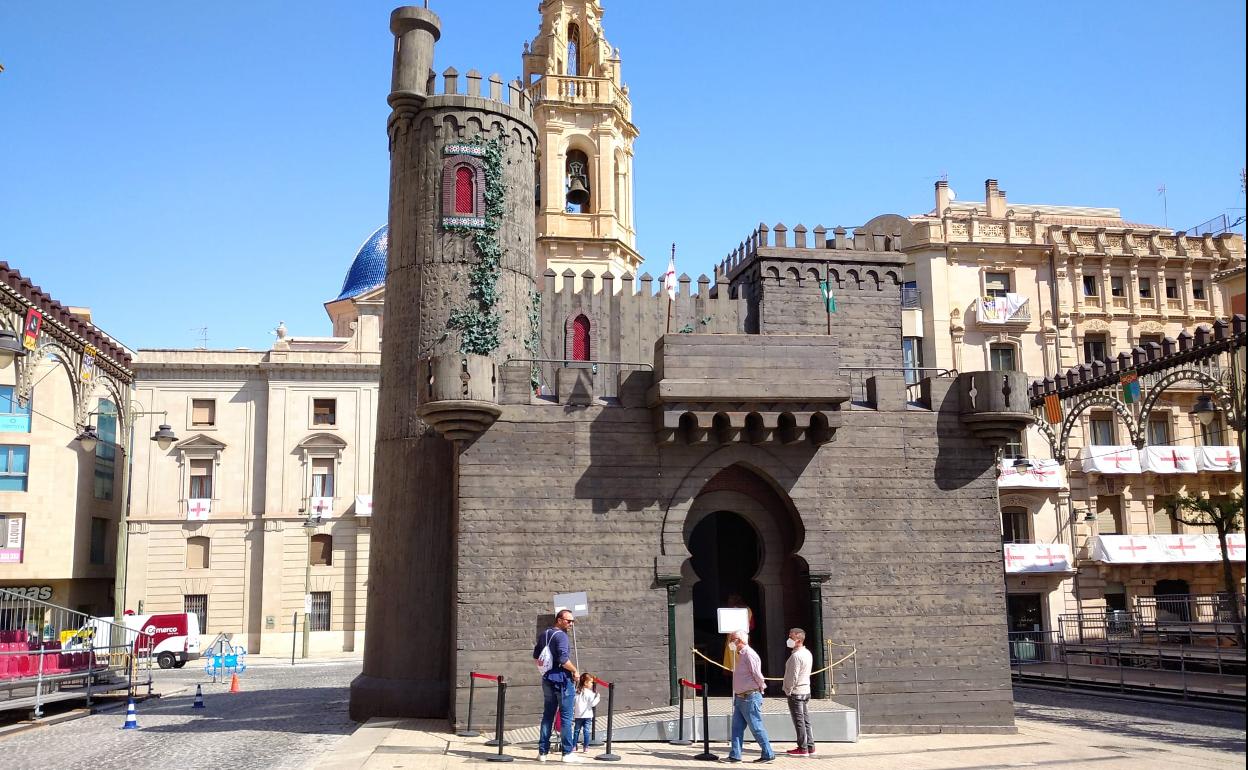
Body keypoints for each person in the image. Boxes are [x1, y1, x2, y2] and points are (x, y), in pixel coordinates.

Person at [533, 610, 581, 763]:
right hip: (562, 681)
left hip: (547, 679)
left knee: (548, 715)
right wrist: (575, 671)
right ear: (559, 620)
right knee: (566, 717)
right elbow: (563, 659)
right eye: (568, 621)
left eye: (572, 621)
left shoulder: (544, 634)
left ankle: (542, 753)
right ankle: (567, 753)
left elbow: (536, 656)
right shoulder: (561, 636)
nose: (571, 624)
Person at [726, 630, 775, 763]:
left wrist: (761, 686)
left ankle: (768, 753)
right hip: (740, 697)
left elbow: (757, 674)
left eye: (732, 639)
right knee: (736, 728)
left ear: (740, 640)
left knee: (756, 726)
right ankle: (735, 754)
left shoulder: (749, 654)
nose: (730, 642)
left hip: (750, 696)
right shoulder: (740, 655)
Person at [782, 628, 815, 756]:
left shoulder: (796, 656)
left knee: (799, 721)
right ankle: (810, 745)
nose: (789, 639)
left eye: (792, 637)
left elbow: (792, 676)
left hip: (797, 692)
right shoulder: (807, 653)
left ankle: (803, 747)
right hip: (806, 690)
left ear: (799, 640)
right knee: (805, 720)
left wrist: (788, 690)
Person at [572, 672, 600, 752]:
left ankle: (574, 746)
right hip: (587, 715)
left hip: (578, 715)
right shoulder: (590, 693)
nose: (592, 684)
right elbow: (592, 704)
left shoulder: (576, 692)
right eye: (590, 682)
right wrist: (598, 698)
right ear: (585, 683)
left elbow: (573, 702)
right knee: (586, 731)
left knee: (576, 731)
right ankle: (585, 747)